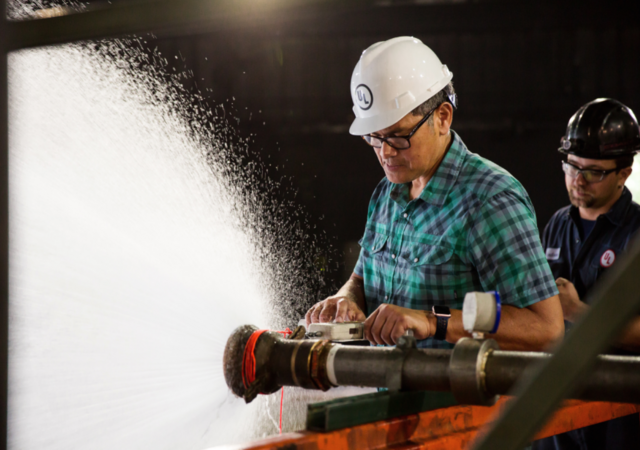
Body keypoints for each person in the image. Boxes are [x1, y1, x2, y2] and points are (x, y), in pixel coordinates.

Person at [305, 36, 563, 351]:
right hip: (388, 393)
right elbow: (362, 277)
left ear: (442, 117)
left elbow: (545, 328)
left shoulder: (489, 200)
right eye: (374, 137)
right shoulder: (387, 193)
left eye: (399, 136)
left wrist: (433, 322)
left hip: (459, 399)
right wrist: (345, 299)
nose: (385, 152)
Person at [533, 98, 640, 450]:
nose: (578, 180)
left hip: (618, 413)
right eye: (571, 166)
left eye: (593, 171)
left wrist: (579, 313)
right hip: (558, 405)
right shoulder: (558, 225)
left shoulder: (635, 235)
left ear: (625, 172)